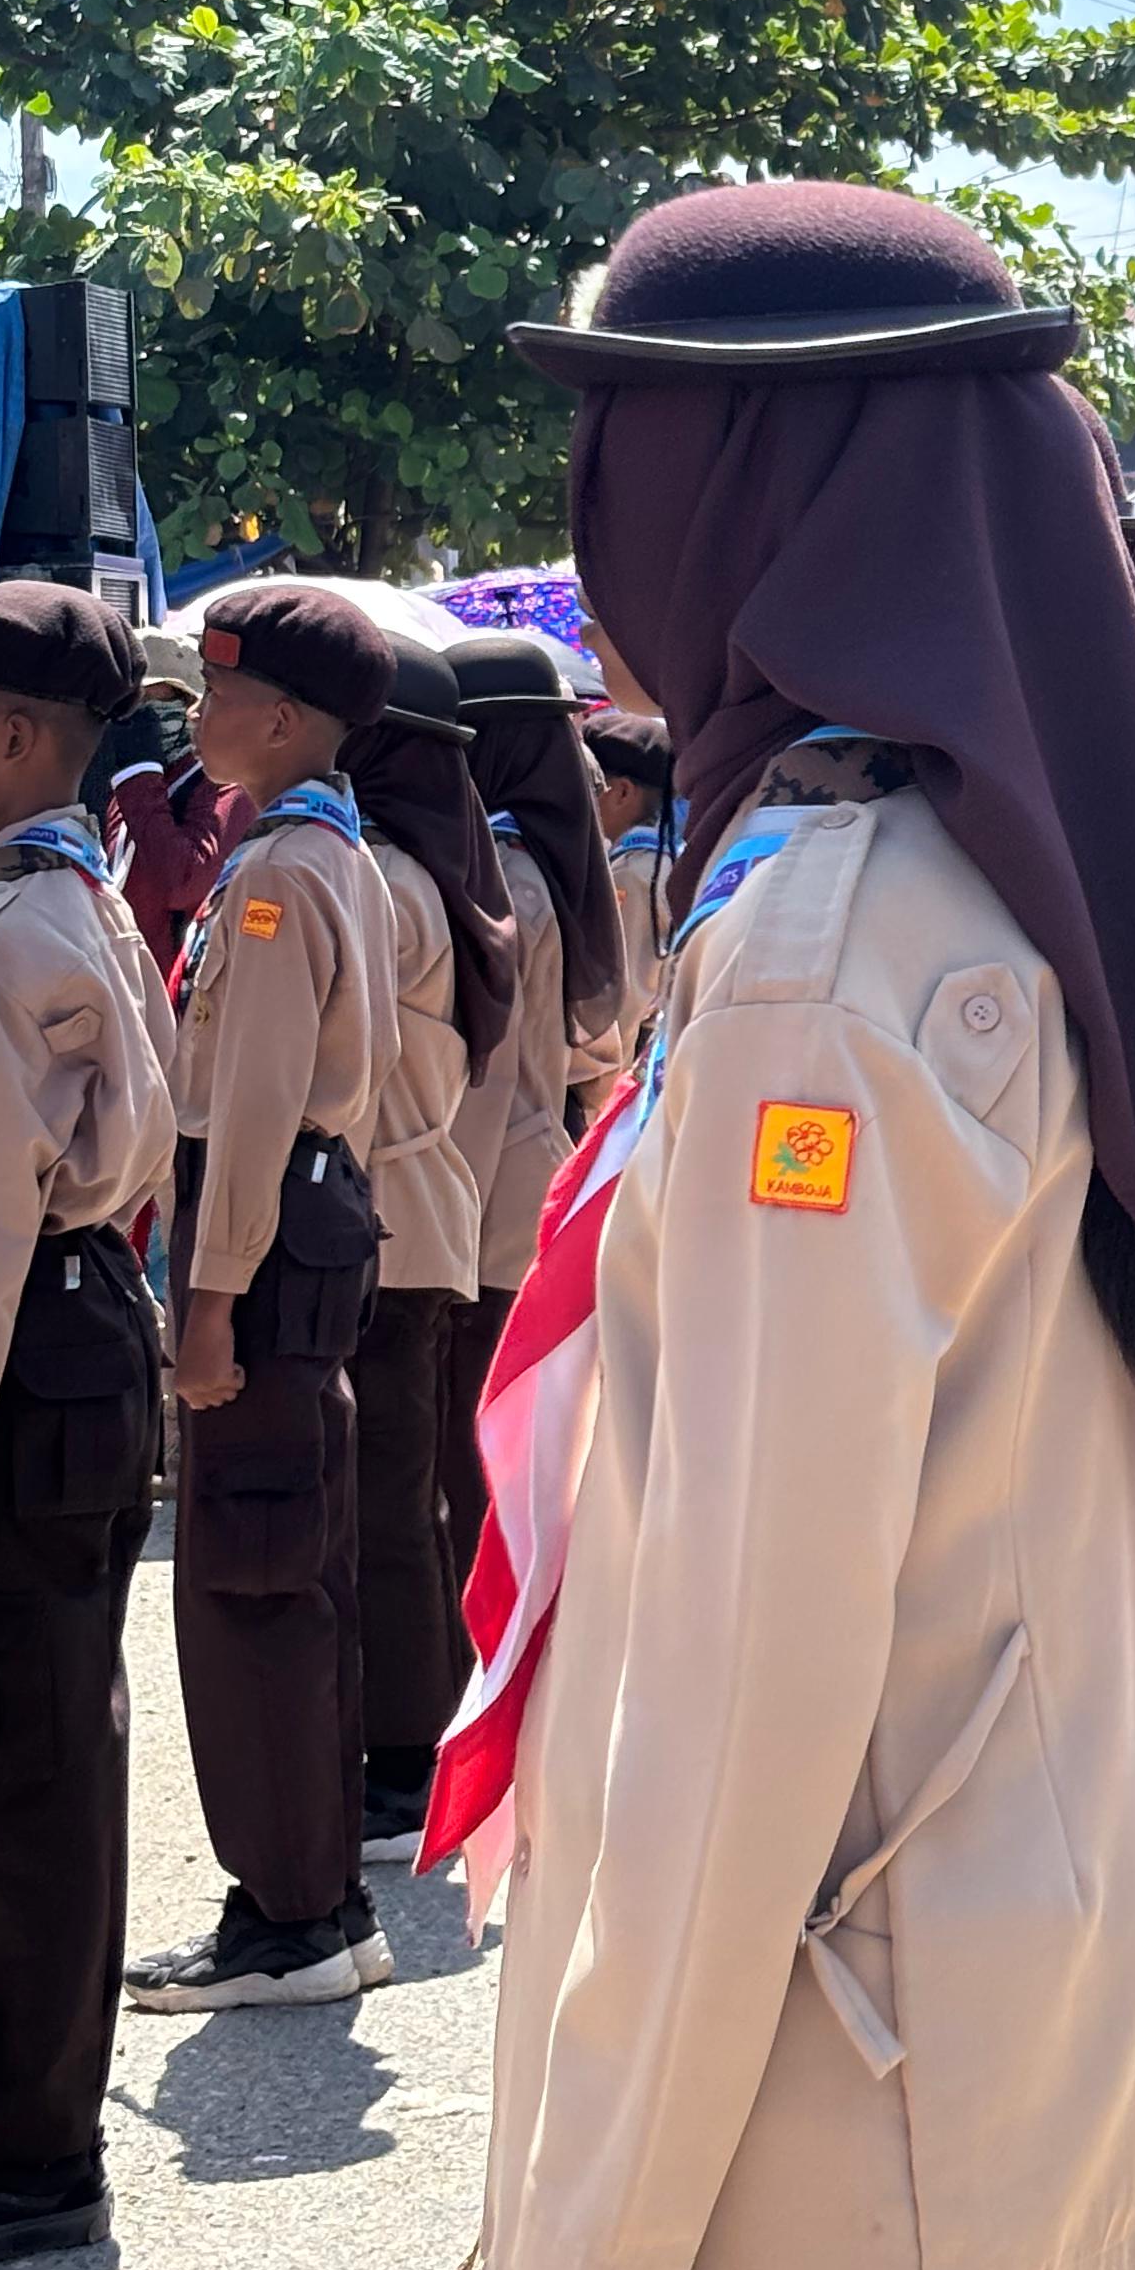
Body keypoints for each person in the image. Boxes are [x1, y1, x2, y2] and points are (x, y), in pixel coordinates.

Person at [458, 183, 1135, 2270]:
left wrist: (596, 2263)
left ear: (756, 481)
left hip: (820, 2181)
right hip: (1008, 2078)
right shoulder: (1000, 871)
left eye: (624, 441)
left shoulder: (834, 942)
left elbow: (737, 1668)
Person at [0, 583, 171, 2270]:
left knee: (12, 1762)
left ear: (15, 738)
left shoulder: (10, 927)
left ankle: (29, 2156)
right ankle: (19, 2123)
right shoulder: (61, 891)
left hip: (26, 1345)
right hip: (78, 1330)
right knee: (45, 1749)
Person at [127, 582, 401, 2016]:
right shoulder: (309, 850)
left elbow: (251, 1105)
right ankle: (313, 1896)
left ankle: (292, 1911)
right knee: (293, 1569)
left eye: (214, 698)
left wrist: (212, 1294)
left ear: (281, 720)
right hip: (298, 1225)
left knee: (255, 1581)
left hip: (269, 1229)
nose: (195, 720)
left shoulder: (285, 869)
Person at [342, 641, 514, 1899]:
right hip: (428, 1208)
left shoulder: (381, 880)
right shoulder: (438, 872)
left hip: (389, 1215)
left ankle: (404, 1762)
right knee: (410, 1501)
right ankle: (415, 1736)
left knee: (392, 1514)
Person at [441, 636, 629, 1746]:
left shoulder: (501, 873)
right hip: (530, 1174)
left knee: (480, 1474)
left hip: (483, 1190)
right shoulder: (552, 861)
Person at [96, 645, 256, 982]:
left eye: (152, 707)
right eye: (129, 709)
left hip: (174, 1002)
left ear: (187, 707)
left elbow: (184, 885)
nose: (138, 720)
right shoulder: (132, 783)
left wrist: (139, 775)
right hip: (121, 982)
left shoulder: (223, 784)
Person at [582, 709, 678, 1061]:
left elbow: (623, 1002)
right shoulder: (646, 863)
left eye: (591, 782)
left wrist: (596, 1097)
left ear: (622, 792)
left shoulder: (636, 875)